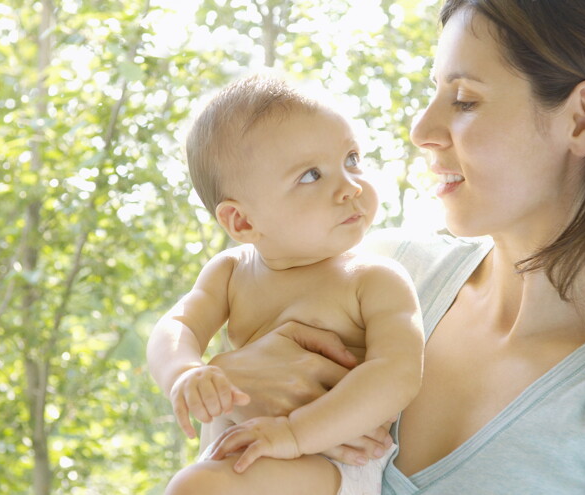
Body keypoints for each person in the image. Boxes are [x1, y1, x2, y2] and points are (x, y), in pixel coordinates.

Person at [187, 0, 585, 493]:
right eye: (434, 92)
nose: (421, 131)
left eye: (465, 99)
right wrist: (226, 379)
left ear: (581, 118)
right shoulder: (371, 268)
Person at [146, 75, 425, 495]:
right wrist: (184, 372)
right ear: (242, 221)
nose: (350, 187)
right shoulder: (230, 273)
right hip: (242, 451)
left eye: (351, 159)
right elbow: (177, 326)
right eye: (312, 175)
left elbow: (399, 373)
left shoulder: (373, 280)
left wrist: (294, 432)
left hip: (331, 461)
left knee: (196, 488)